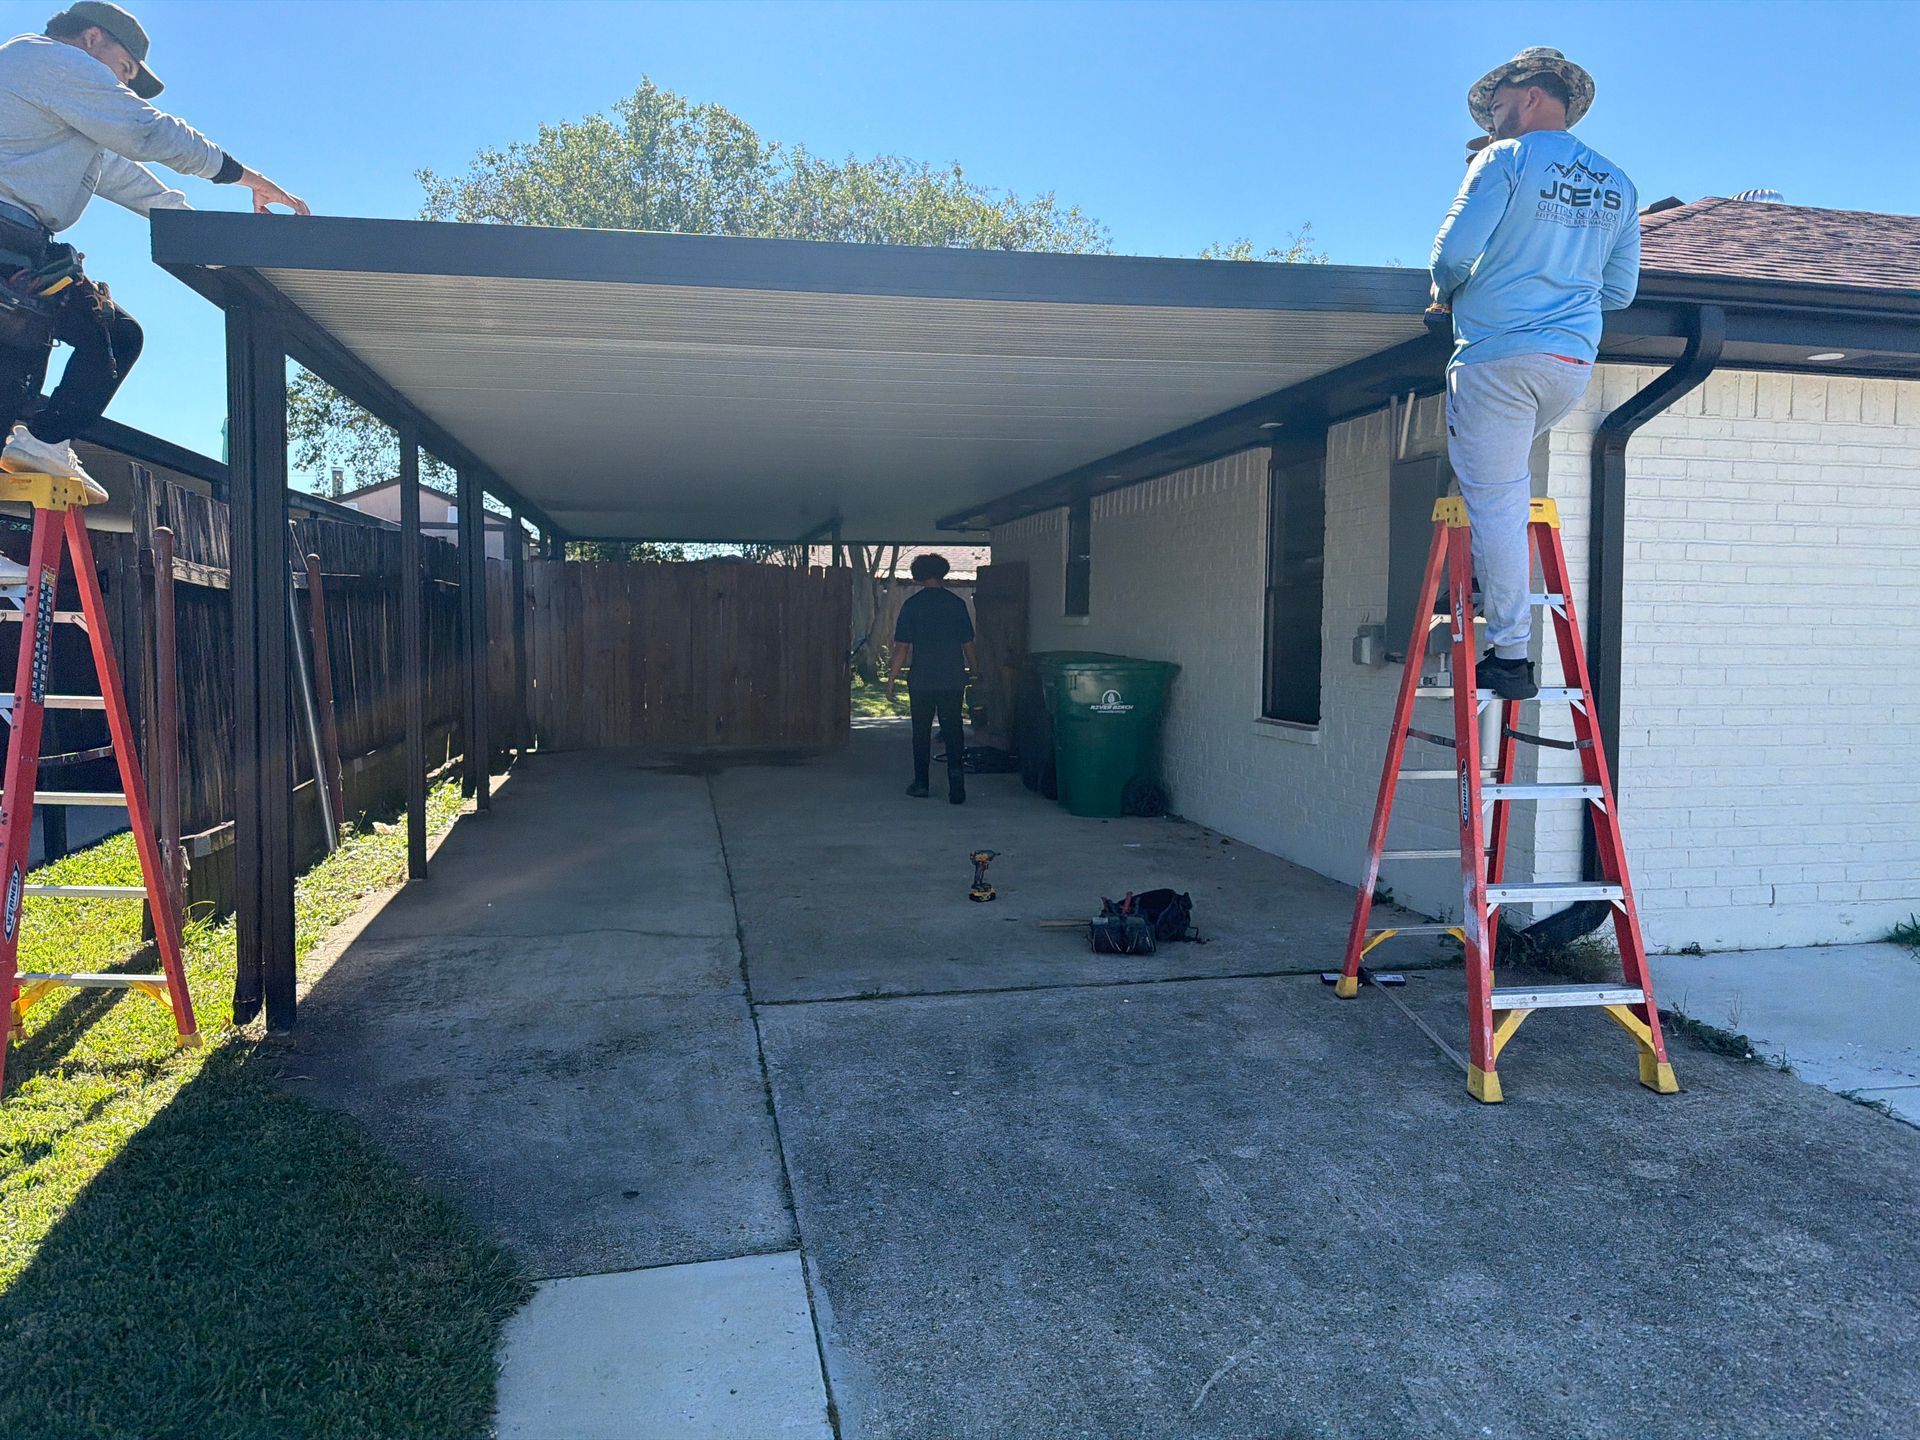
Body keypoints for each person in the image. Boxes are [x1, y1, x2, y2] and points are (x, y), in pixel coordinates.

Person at [0, 3, 308, 528]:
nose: (122, 89)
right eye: (124, 73)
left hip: (27, 249)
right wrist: (246, 177)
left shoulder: (62, 104)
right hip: (8, 245)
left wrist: (198, 233)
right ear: (93, 38)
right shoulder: (45, 59)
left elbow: (124, 174)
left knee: (117, 337)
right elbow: (148, 132)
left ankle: (42, 439)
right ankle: (31, 436)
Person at [1429, 47, 1639, 700]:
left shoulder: (1506, 159)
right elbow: (1620, 291)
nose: (1491, 122)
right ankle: (1484, 584)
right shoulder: (1618, 183)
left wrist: (1445, 292)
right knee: (1499, 485)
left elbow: (1455, 250)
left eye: (1495, 108)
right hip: (1569, 363)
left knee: (1496, 501)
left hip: (1498, 357)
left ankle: (1511, 655)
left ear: (1527, 96)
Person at [886, 552, 976, 805]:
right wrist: (977, 670)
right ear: (943, 572)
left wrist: (891, 678)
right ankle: (956, 784)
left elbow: (902, 647)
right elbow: (967, 643)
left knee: (921, 731)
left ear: (918, 575)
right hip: (952, 677)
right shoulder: (956, 604)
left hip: (923, 678)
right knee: (953, 729)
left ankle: (921, 783)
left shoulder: (912, 605)